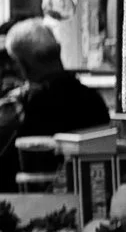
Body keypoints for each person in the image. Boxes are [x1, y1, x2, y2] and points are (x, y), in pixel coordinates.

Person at [0, 20, 109, 168]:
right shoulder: (94, 100)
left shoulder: (30, 105)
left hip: (36, 189)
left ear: (23, 65)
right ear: (58, 51)